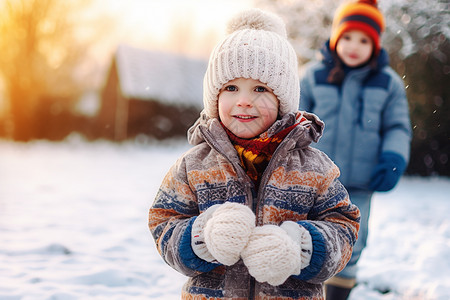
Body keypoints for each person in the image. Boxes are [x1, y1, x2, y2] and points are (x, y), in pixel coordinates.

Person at [149, 8, 360, 300]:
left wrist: (300, 247)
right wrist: (202, 237)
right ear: (215, 97)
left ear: (282, 99)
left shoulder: (316, 168)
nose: (244, 101)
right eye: (231, 88)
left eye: (260, 88)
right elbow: (164, 223)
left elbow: (343, 227)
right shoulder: (193, 165)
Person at [299, 1, 412, 299]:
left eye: (364, 40)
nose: (354, 46)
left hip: (360, 183)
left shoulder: (387, 83)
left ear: (375, 45)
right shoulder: (312, 77)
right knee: (308, 241)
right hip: (315, 183)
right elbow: (295, 122)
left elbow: (397, 127)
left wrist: (393, 157)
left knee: (351, 244)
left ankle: (337, 295)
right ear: (336, 37)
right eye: (347, 37)